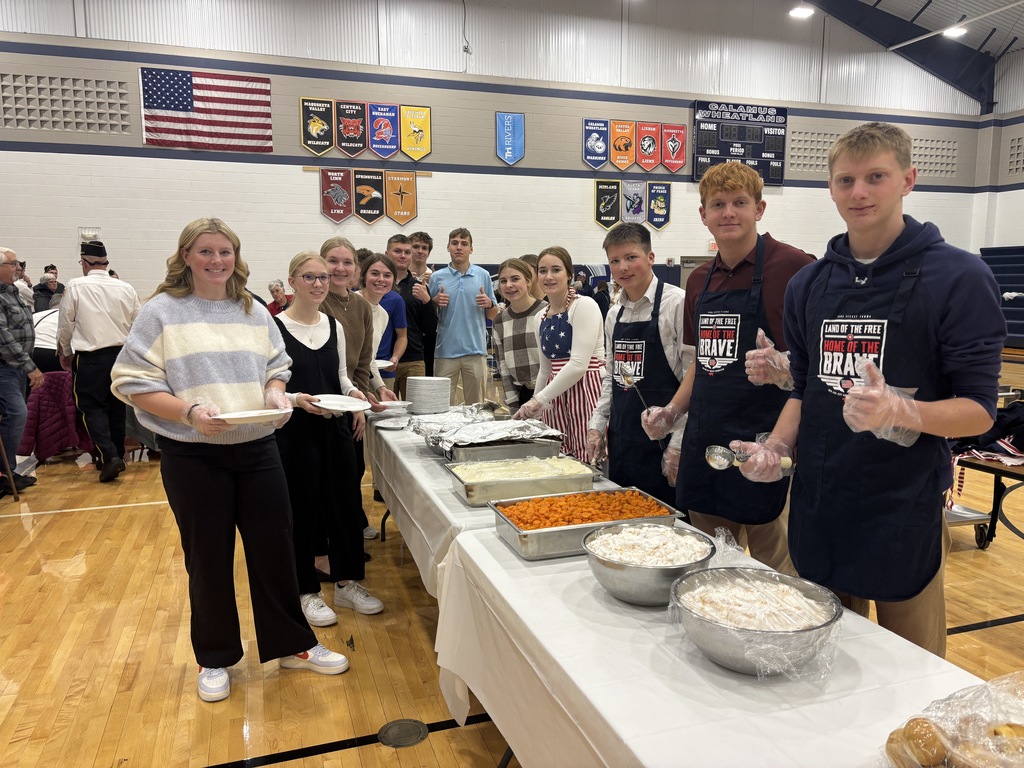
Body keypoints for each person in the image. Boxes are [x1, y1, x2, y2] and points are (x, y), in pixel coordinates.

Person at [731, 123, 1006, 657]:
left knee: (912, 668)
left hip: (902, 506)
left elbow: (979, 412)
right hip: (820, 503)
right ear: (831, 189)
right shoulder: (810, 284)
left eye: (875, 177)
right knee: (823, 657)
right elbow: (804, 390)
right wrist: (778, 447)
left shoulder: (959, 276)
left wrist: (901, 411)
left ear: (908, 179)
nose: (859, 192)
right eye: (846, 180)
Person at [111, 217, 349, 703]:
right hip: (193, 454)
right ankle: (215, 656)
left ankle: (292, 646)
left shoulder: (253, 310)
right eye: (206, 252)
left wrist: (275, 394)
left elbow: (277, 367)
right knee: (208, 557)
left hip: (258, 448)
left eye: (225, 252)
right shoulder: (160, 313)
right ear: (186, 257)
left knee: (275, 551)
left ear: (236, 258)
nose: (217, 260)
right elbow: (134, 383)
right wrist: (189, 412)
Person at [642, 162, 813, 571]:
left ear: (760, 208)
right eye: (718, 204)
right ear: (703, 214)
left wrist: (783, 365)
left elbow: (815, 368)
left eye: (740, 202)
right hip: (710, 443)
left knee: (781, 572)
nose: (729, 213)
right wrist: (672, 412)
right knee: (708, 564)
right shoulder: (699, 280)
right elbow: (701, 364)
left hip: (771, 443)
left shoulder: (796, 267)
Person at [274, 252, 384, 625]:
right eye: (309, 277)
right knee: (301, 511)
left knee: (345, 505)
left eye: (322, 277)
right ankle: (306, 590)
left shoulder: (334, 326)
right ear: (292, 282)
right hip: (294, 432)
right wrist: (293, 399)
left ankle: (346, 582)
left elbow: (343, 378)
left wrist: (355, 399)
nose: (319, 283)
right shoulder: (274, 327)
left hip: (334, 427)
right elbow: (268, 386)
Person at [587, 223, 691, 506]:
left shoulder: (677, 304)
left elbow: (694, 383)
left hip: (665, 444)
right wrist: (597, 425)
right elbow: (611, 377)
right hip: (623, 440)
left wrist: (679, 444)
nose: (623, 267)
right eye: (615, 261)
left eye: (631, 257)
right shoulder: (614, 314)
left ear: (651, 257)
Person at [319, 236, 391, 545]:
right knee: (328, 478)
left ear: (356, 269)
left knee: (353, 471)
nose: (340, 268)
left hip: (353, 401)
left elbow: (363, 361)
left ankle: (349, 534)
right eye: (332, 261)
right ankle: (329, 542)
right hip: (322, 402)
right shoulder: (317, 301)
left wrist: (367, 396)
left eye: (347, 262)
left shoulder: (362, 306)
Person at [56, 241, 140, 482]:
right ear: (106, 263)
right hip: (122, 356)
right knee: (117, 407)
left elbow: (66, 324)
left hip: (91, 357)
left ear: (84, 262)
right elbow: (139, 323)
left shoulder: (75, 286)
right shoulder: (126, 288)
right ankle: (117, 456)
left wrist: (64, 351)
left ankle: (109, 456)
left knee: (91, 407)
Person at [513, 247, 605, 461]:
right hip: (555, 394)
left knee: (589, 458)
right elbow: (545, 369)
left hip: (586, 390)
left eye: (556, 270)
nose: (549, 276)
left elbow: (579, 364)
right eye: (543, 271)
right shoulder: (540, 318)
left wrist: (538, 399)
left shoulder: (584, 306)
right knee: (559, 458)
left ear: (569, 275)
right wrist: (534, 408)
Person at [428, 228, 498, 405]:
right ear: (448, 247)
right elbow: (429, 317)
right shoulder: (436, 278)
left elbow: (493, 314)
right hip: (445, 351)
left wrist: (489, 303)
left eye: (464, 244)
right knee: (440, 407)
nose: (459, 247)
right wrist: (434, 302)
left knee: (476, 408)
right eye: (455, 243)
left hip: (475, 351)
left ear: (471, 249)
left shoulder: (483, 275)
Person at [0, 247, 44, 495]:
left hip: (15, 368)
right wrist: (31, 368)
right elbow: (3, 338)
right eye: (14, 264)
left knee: (16, 415)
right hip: (5, 367)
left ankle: (8, 472)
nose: (19, 268)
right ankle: (4, 472)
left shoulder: (13, 292)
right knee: (16, 414)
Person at [492, 258, 545, 411]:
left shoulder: (546, 312)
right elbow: (503, 367)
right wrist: (513, 403)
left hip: (549, 395)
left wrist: (544, 397)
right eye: (503, 281)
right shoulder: (500, 321)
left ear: (528, 281)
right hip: (522, 396)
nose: (509, 285)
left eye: (515, 279)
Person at [386, 234, 433, 397]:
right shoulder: (379, 285)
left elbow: (431, 327)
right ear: (387, 254)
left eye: (407, 252)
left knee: (416, 413)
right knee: (384, 414)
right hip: (383, 360)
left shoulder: (419, 287)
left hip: (413, 360)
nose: (403, 256)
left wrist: (428, 302)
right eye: (397, 251)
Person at [360, 253, 407, 391]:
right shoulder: (352, 303)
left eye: (387, 275)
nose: (381, 279)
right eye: (375, 273)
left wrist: (381, 388)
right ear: (364, 276)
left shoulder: (383, 315)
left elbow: (369, 359)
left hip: (368, 379)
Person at [409, 231, 438, 376]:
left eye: (424, 248)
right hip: (407, 336)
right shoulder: (400, 276)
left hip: (429, 338)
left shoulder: (436, 278)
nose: (420, 251)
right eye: (416, 247)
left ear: (429, 252)